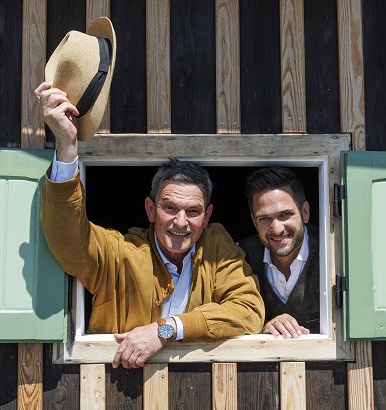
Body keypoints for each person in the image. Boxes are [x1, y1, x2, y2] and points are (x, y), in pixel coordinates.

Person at [34, 19, 264, 370]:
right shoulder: (121, 254)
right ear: (150, 209)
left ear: (208, 214)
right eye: (170, 208)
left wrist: (166, 330)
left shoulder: (217, 247)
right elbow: (67, 239)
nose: (181, 222)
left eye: (193, 211)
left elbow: (248, 311)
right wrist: (66, 146)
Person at [239, 167, 320, 338]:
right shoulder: (239, 257)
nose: (276, 229)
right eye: (265, 219)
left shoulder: (333, 251)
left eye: (285, 215)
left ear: (305, 212)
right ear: (254, 222)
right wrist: (262, 328)